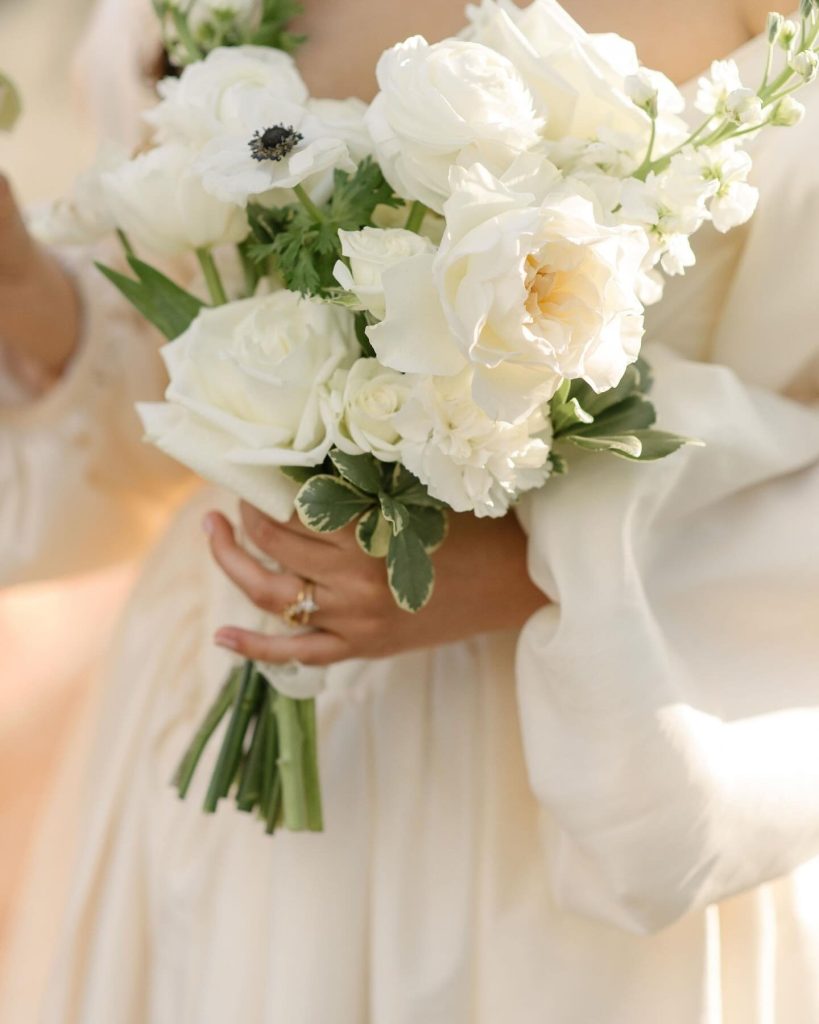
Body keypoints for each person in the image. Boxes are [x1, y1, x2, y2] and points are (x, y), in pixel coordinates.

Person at [3, 0, 819, 1020]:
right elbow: (177, 375)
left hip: (553, 828)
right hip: (217, 762)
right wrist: (22, 289)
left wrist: (538, 569)